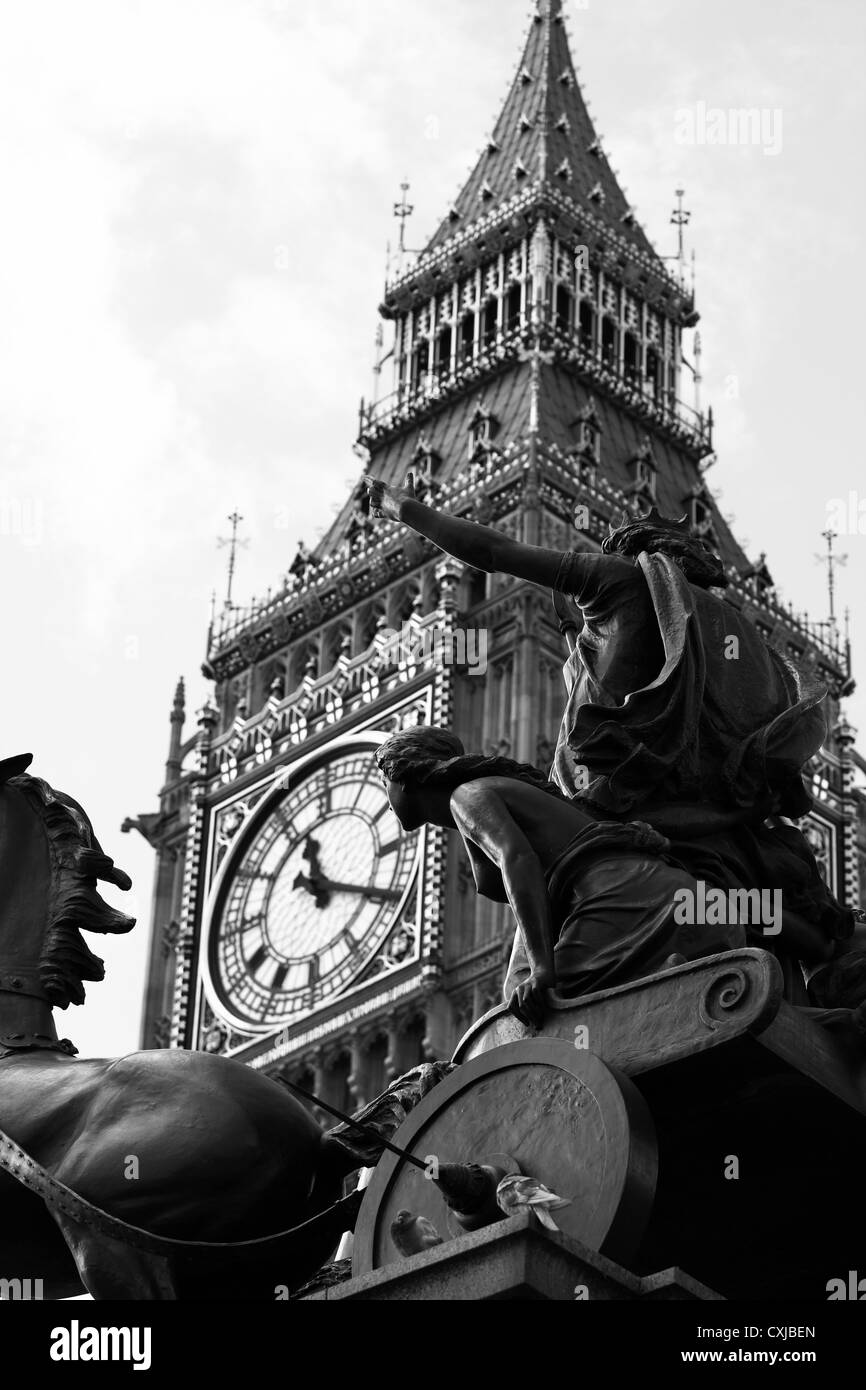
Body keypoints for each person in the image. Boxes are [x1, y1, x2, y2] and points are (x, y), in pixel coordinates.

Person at [365, 473, 861, 1004]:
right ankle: (836, 949)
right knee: (727, 900)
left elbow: (491, 549)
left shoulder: (610, 583)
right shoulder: (714, 627)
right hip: (700, 805)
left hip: (629, 801)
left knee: (526, 996)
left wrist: (406, 509)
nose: (567, 627)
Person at [375, 726, 788, 1027]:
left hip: (626, 904)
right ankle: (671, 975)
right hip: (681, 899)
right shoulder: (490, 793)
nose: (387, 796)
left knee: (524, 1025)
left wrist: (541, 969)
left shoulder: (469, 796)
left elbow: (518, 861)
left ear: (404, 773)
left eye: (384, 779)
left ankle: (668, 981)